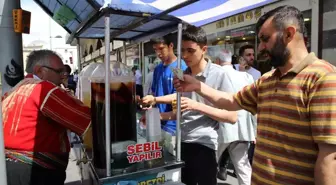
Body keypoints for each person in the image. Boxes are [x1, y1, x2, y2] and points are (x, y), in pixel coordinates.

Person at [173, 6, 336, 185]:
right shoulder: (267, 80)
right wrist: (197, 86)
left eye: (266, 39)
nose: (261, 49)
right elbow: (232, 101)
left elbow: (329, 159)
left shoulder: (323, 78)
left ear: (289, 34)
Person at [142, 25, 238, 185]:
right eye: (183, 50)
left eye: (191, 50)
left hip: (205, 144)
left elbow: (232, 116)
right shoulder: (182, 73)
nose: (185, 55)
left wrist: (196, 105)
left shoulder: (220, 74)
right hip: (182, 141)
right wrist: (156, 115)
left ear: (204, 49)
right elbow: (179, 109)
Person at [3, 50, 91, 185]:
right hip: (36, 172)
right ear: (39, 71)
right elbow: (85, 119)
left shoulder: (15, 89)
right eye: (59, 71)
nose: (63, 76)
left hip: (9, 169)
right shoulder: (43, 89)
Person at [214, 49, 256, 185]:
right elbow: (253, 104)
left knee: (210, 162)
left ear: (218, 61)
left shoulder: (216, 74)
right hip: (243, 128)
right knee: (243, 165)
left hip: (222, 127)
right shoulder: (246, 77)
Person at [142, 34, 187, 135]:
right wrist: (149, 103)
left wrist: (155, 100)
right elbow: (155, 93)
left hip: (173, 126)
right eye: (155, 50)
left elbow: (179, 96)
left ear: (171, 46)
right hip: (158, 123)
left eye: (161, 49)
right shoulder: (158, 69)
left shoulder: (179, 67)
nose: (158, 53)